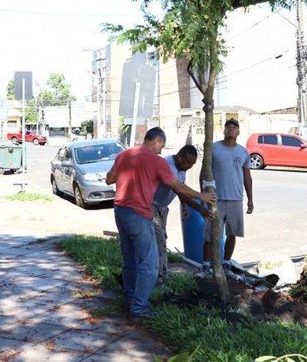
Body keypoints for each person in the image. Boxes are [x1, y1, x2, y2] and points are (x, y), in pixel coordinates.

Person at [106, 127, 215, 319]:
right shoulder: (157, 161)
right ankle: (139, 308)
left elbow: (109, 179)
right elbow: (176, 186)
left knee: (130, 259)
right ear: (156, 141)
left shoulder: (124, 154)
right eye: (161, 146)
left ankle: (131, 299)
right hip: (139, 214)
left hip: (120, 211)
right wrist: (201, 195)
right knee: (150, 264)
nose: (161, 151)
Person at [151, 145, 212, 282]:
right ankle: (158, 279)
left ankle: (163, 273)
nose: (190, 166)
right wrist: (201, 197)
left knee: (162, 241)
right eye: (188, 162)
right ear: (180, 156)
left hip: (162, 208)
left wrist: (185, 205)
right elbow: (178, 186)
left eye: (193, 164)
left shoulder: (181, 168)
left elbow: (180, 192)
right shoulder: (168, 164)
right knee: (159, 240)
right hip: (151, 206)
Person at [204, 118, 252, 265]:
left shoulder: (243, 152)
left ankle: (226, 263)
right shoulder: (213, 148)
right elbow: (204, 171)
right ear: (223, 130)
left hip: (236, 199)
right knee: (210, 235)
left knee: (232, 233)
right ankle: (206, 264)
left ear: (238, 132)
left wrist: (250, 199)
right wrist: (203, 193)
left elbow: (247, 176)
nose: (231, 128)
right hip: (215, 199)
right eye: (228, 126)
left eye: (234, 127)